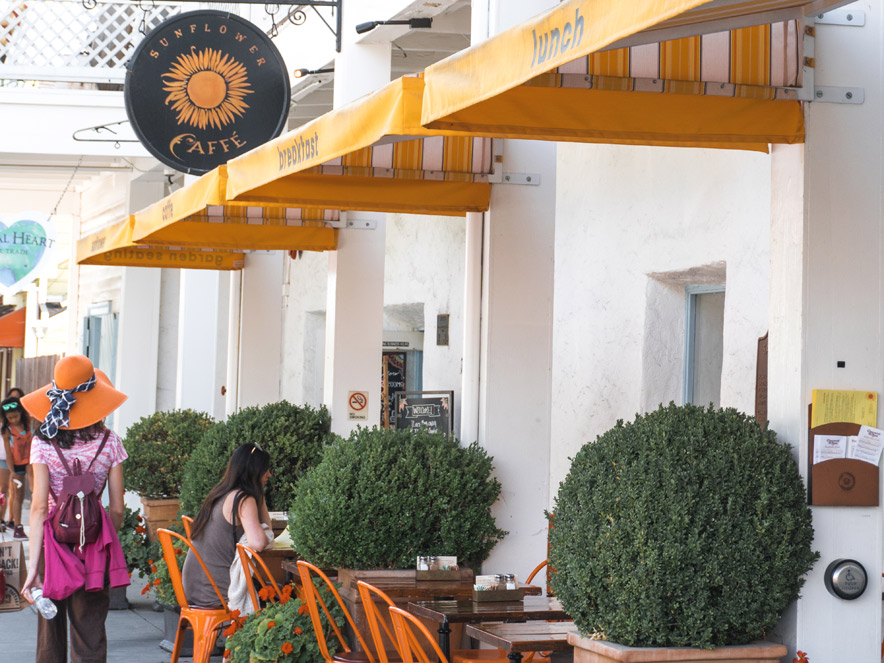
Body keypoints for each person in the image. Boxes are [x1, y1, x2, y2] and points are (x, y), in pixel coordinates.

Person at [20, 355, 130, 663]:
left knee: (49, 633)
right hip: (94, 547)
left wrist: (34, 567)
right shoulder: (111, 442)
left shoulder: (42, 442)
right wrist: (99, 537)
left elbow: (40, 506)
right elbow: (118, 508)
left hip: (52, 544)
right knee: (90, 634)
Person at [183, 442, 272, 607]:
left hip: (195, 589)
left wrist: (259, 491)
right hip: (216, 593)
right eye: (265, 469)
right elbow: (260, 541)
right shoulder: (243, 499)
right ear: (254, 471)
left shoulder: (221, 493)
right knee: (283, 594)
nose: (269, 474)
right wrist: (258, 493)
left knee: (273, 589)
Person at [2, 396, 33, 539]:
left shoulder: (28, 424)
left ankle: (38, 524)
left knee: (36, 492)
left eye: (15, 416)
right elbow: (8, 453)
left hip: (31, 463)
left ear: (20, 412)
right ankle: (18, 527)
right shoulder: (7, 430)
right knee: (18, 496)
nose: (13, 420)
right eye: (9, 418)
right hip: (17, 465)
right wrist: (12, 471)